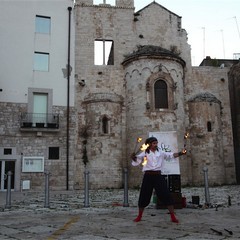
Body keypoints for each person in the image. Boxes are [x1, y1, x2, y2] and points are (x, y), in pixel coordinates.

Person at [131, 136, 186, 223]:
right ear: (149, 144)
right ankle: (139, 216)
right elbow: (136, 161)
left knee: (166, 194)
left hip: (158, 176)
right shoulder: (145, 152)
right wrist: (133, 157)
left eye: (156, 143)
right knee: (144, 196)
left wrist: (181, 153)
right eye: (154, 143)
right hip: (148, 176)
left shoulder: (160, 152)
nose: (156, 145)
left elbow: (171, 155)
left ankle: (172, 216)